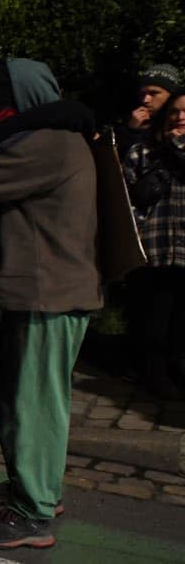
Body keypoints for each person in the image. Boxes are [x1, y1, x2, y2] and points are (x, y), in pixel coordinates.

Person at [0, 58, 103, 550]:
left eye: (2, 103)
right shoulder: (54, 138)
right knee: (24, 402)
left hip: (47, 292)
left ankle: (33, 512)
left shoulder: (49, 141)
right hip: (43, 290)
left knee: (34, 406)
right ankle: (38, 491)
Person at [122, 87, 185, 398]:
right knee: (154, 320)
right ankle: (154, 376)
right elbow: (126, 199)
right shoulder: (144, 152)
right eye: (174, 111)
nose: (180, 117)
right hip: (154, 248)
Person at [117, 63, 180, 159]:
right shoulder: (133, 122)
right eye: (142, 94)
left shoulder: (180, 120)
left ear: (170, 94)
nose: (145, 100)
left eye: (154, 93)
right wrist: (130, 131)